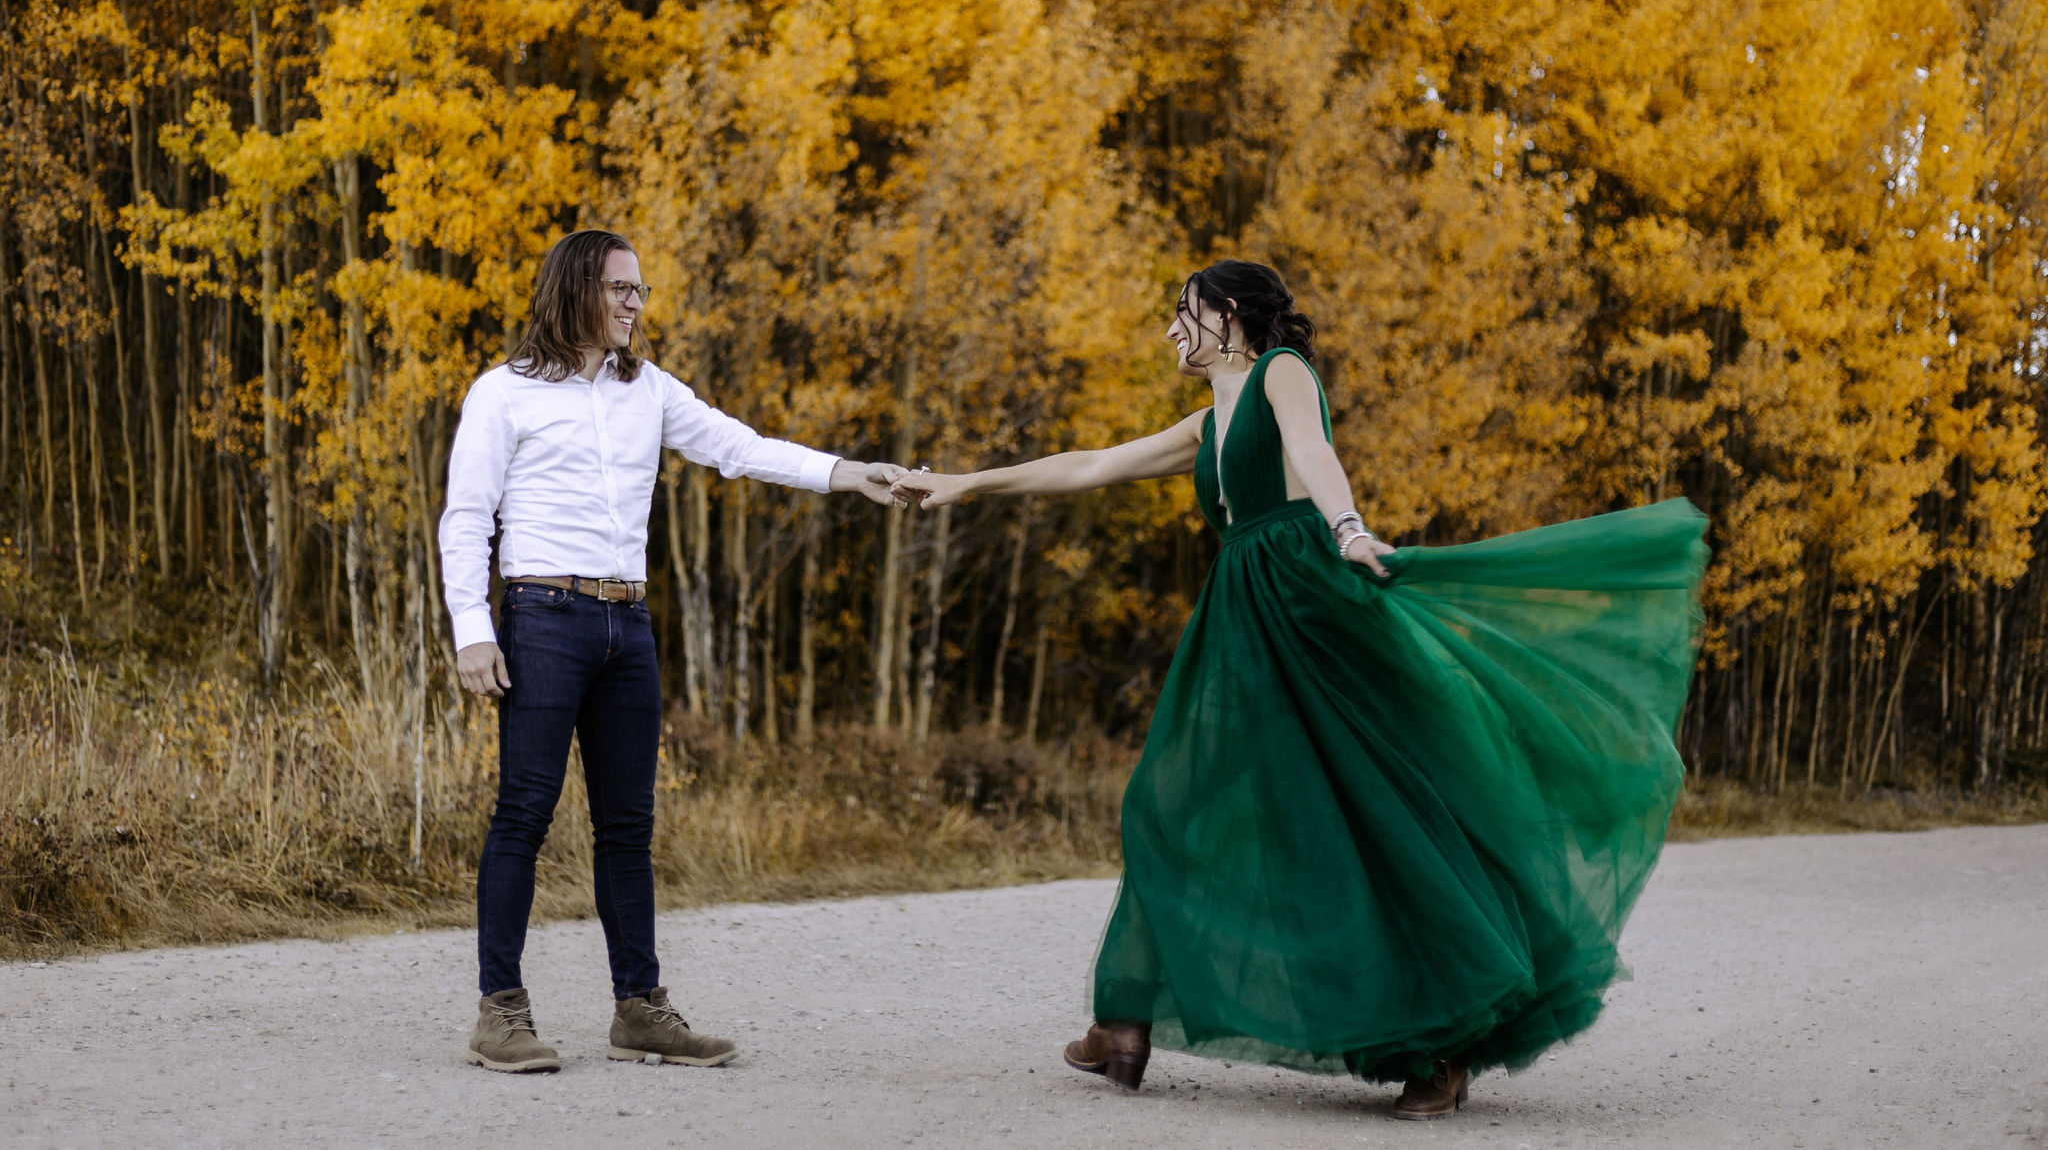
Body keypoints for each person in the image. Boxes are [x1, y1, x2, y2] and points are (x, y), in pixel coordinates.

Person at [896, 259, 1707, 1118]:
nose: (1173, 329)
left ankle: (1442, 1046)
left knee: (1371, 814)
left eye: (1188, 312)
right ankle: (1123, 1023)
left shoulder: (1282, 373)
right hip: (1243, 616)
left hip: (1312, 601)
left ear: (1235, 318)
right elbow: (1091, 465)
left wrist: (1349, 529)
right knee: (1174, 806)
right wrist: (966, 484)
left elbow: (1314, 450)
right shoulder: (1206, 421)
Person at [439, 228, 906, 1074]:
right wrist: (473, 627)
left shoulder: (646, 389)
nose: (635, 303)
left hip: (630, 625)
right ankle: (499, 1011)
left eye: (639, 290)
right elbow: (467, 517)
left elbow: (741, 446)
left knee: (628, 826)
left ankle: (640, 1008)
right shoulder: (502, 394)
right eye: (621, 288)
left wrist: (847, 471)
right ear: (577, 288)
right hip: (541, 616)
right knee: (524, 814)